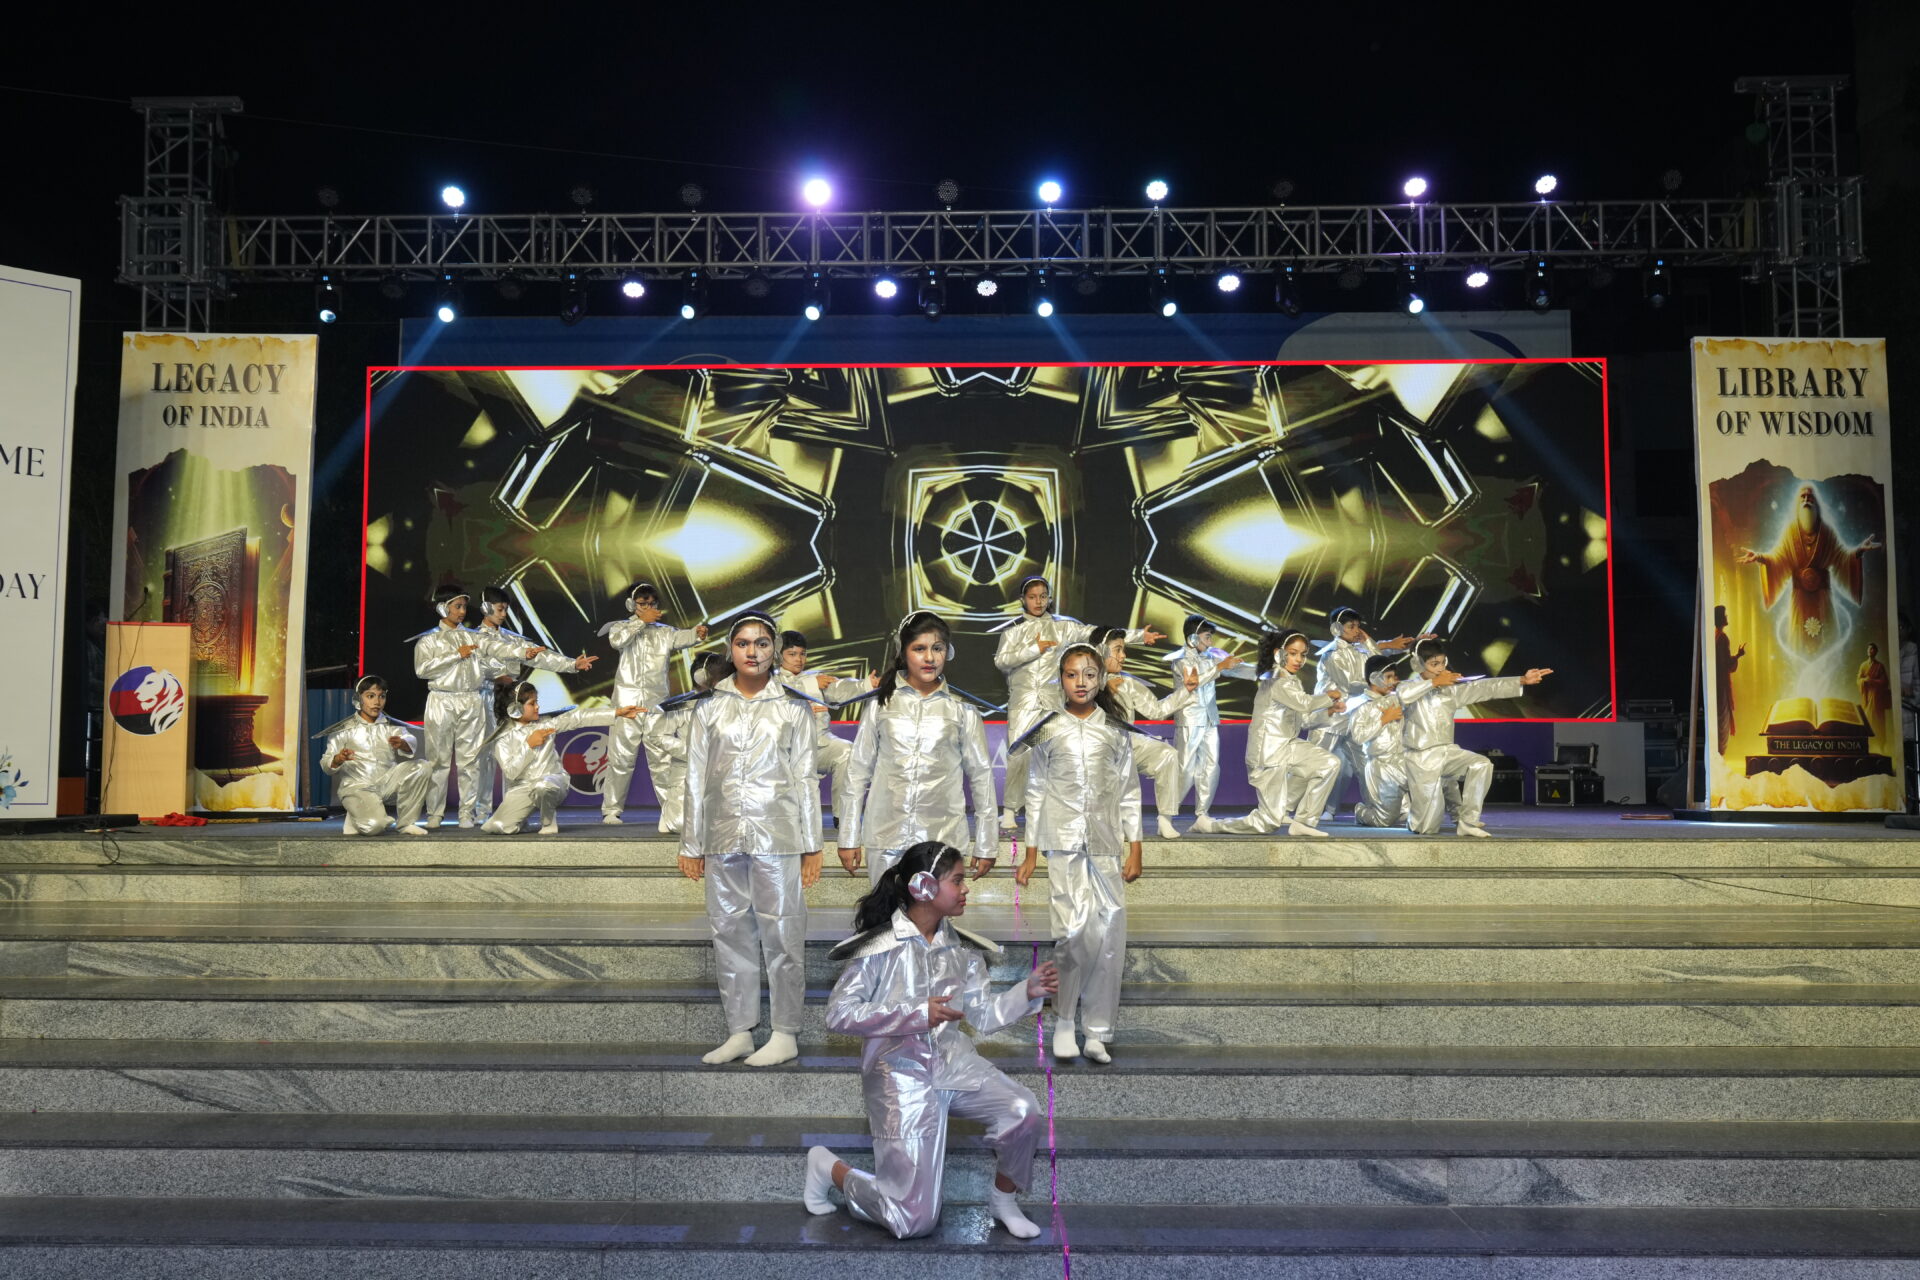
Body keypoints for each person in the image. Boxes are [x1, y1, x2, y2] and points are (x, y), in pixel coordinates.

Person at [803, 841, 1057, 1241]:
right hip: (899, 1074)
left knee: (1022, 1110)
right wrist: (916, 1013)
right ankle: (828, 1168)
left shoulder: (964, 949)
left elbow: (983, 1016)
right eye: (957, 880)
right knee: (912, 1221)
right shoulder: (878, 946)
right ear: (923, 886)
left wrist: (1025, 991)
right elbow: (838, 1014)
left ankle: (1004, 1200)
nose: (966, 889)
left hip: (954, 1063)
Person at [678, 611, 822, 1067]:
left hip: (778, 836)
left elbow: (806, 779)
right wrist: (690, 842)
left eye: (762, 643)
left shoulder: (794, 708)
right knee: (730, 933)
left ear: (774, 649)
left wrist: (813, 845)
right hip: (722, 835)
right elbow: (695, 778)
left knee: (783, 934)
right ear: (731, 649)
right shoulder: (708, 707)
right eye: (743, 643)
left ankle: (784, 1033)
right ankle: (739, 1030)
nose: (753, 652)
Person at [1012, 643, 1144, 1063]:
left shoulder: (1116, 729)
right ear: (1061, 680)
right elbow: (1034, 790)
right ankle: (1065, 1019)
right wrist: (1031, 850)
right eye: (1072, 674)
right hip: (1062, 840)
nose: (1081, 682)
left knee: (1109, 932)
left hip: (1105, 842)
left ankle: (1097, 1030)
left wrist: (1136, 846)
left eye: (1089, 674)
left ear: (1101, 679)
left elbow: (1129, 791)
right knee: (1072, 932)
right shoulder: (1048, 728)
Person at [836, 612, 999, 886]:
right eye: (919, 649)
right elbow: (856, 772)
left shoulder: (962, 709)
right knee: (886, 922)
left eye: (937, 648)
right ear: (903, 651)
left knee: (935, 925)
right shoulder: (880, 704)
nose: (930, 658)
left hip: (942, 838)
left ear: (948, 652)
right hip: (885, 835)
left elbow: (981, 777)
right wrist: (848, 836)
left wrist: (986, 844)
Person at [993, 575, 1162, 835]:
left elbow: (1098, 634)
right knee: (1019, 752)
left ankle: (1051, 806)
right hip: (1023, 702)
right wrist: (1033, 649)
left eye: (1042, 596)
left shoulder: (1063, 627)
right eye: (1032, 596)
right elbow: (1001, 661)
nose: (1038, 601)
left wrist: (1138, 636)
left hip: (1052, 701)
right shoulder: (1012, 631)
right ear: (1022, 600)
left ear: (1049, 598)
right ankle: (1009, 810)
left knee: (1054, 754)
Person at [1395, 637, 1552, 837]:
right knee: (1426, 828)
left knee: (1481, 764)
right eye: (1434, 664)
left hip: (1446, 752)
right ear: (1417, 664)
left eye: (1442, 663)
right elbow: (1404, 696)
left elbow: (1483, 688)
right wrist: (1434, 682)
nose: (1440, 668)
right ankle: (1415, 818)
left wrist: (1522, 680)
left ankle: (1467, 821)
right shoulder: (1406, 687)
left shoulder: (1451, 690)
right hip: (1420, 758)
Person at [472, 585, 600, 822]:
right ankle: (476, 812)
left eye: (506, 610)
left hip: (509, 702)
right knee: (480, 758)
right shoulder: (471, 638)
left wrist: (572, 665)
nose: (503, 614)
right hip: (478, 701)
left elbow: (542, 656)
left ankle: (512, 811)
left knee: (512, 756)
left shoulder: (513, 640)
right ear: (486, 608)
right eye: (500, 609)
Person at [598, 582, 708, 829]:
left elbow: (683, 637)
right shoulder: (621, 627)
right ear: (631, 605)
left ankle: (671, 810)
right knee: (620, 758)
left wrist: (697, 633)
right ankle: (611, 809)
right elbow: (617, 641)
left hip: (657, 704)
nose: (648, 608)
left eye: (652, 604)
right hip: (627, 704)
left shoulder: (664, 632)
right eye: (642, 604)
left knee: (661, 758)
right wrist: (641, 621)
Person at [1736, 484, 1881, 656]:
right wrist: (1759, 557)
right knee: (1799, 642)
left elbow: (1842, 556)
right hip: (1799, 598)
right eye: (1803, 497)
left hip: (1823, 597)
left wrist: (1859, 550)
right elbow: (1778, 558)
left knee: (1826, 643)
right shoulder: (1790, 531)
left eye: (1810, 497)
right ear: (1798, 503)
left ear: (1816, 503)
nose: (1806, 500)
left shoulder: (1826, 531)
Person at [481, 681, 641, 835]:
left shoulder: (545, 724)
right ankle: (522, 823)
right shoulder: (502, 739)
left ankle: (548, 821)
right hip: (523, 788)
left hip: (552, 781)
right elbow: (510, 773)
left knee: (543, 786)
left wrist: (616, 712)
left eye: (537, 702)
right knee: (496, 827)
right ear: (514, 709)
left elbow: (578, 717)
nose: (538, 707)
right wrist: (528, 746)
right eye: (532, 703)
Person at [1309, 608, 1424, 821]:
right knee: (1313, 764)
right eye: (1351, 626)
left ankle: (1377, 807)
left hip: (1353, 715)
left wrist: (1374, 643)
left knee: (1364, 765)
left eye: (1358, 626)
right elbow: (1353, 682)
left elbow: (1378, 661)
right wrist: (1385, 682)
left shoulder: (1359, 649)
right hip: (1330, 718)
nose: (1356, 630)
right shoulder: (1332, 654)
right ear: (1336, 628)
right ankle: (1290, 810)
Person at [1227, 631, 1344, 839]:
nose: (1299, 660)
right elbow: (1305, 704)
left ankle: (1304, 822)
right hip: (1268, 755)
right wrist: (1328, 697)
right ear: (1279, 653)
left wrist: (1329, 711)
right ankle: (1212, 826)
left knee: (1328, 764)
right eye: (1293, 653)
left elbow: (1304, 720)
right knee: (1266, 823)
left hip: (1288, 746)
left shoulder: (1292, 681)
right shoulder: (1276, 680)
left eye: (1303, 654)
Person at [1102, 626, 1205, 839]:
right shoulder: (1081, 680)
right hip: (1097, 748)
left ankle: (1165, 819)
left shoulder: (1127, 683)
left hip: (1126, 742)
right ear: (1100, 650)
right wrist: (1101, 686)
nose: (1124, 656)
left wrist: (1186, 690)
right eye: (1118, 650)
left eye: (1123, 649)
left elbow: (1157, 711)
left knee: (1167, 754)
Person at [1165, 615, 1259, 834]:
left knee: (1210, 766)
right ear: (1192, 637)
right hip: (1189, 719)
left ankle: (1202, 814)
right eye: (1207, 636)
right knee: (1184, 768)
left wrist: (1266, 670)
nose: (1210, 641)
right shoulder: (1180, 659)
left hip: (1209, 719)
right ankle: (1166, 815)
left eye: (1210, 637)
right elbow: (1193, 682)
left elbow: (1237, 667)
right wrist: (1219, 667)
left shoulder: (1213, 656)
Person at [776, 630, 868, 840]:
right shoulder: (770, 682)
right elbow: (782, 694)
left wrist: (868, 685)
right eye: (792, 654)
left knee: (846, 751)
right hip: (787, 752)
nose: (799, 659)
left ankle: (843, 817)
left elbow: (841, 688)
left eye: (802, 653)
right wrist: (811, 684)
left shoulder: (814, 679)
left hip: (819, 745)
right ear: (779, 656)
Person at [409, 587, 489, 829]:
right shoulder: (428, 639)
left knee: (470, 761)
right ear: (443, 608)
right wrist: (456, 655)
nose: (462, 611)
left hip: (471, 700)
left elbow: (489, 664)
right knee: (438, 760)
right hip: (441, 700)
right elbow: (422, 670)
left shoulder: (475, 637)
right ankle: (435, 813)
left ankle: (467, 813)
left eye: (464, 607)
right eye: (457, 606)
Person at [317, 674, 431, 836]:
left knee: (422, 766)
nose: (377, 702)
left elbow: (409, 739)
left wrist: (403, 743)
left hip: (386, 783)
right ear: (358, 699)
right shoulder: (344, 730)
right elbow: (326, 765)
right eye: (370, 696)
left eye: (381, 696)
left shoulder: (390, 726)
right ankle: (359, 815)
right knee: (375, 827)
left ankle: (406, 823)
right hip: (357, 787)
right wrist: (338, 759)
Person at [1345, 655, 1411, 828]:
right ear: (1374, 678)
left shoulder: (1396, 699)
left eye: (1393, 677)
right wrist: (1383, 720)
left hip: (1402, 761)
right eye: (1388, 677)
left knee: (1411, 813)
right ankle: (1361, 811)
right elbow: (1359, 736)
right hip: (1381, 767)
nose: (1392, 681)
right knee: (1383, 821)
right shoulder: (1361, 705)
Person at [1713, 604, 1746, 756]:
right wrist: (1739, 655)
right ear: (1720, 618)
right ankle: (1720, 757)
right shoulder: (1723, 638)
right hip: (1722, 687)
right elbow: (1727, 665)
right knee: (1722, 723)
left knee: (1721, 721)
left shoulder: (1716, 635)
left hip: (1718, 685)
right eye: (1725, 615)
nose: (1727, 617)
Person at [1859, 643, 1894, 742]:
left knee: (1878, 721)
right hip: (1867, 696)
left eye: (1871, 649)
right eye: (1868, 649)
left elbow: (1885, 682)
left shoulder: (1879, 666)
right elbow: (1859, 679)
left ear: (1875, 651)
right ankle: (1869, 742)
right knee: (1867, 718)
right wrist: (1864, 681)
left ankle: (1880, 743)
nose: (1869, 651)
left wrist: (1872, 681)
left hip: (1877, 698)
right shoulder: (1863, 665)